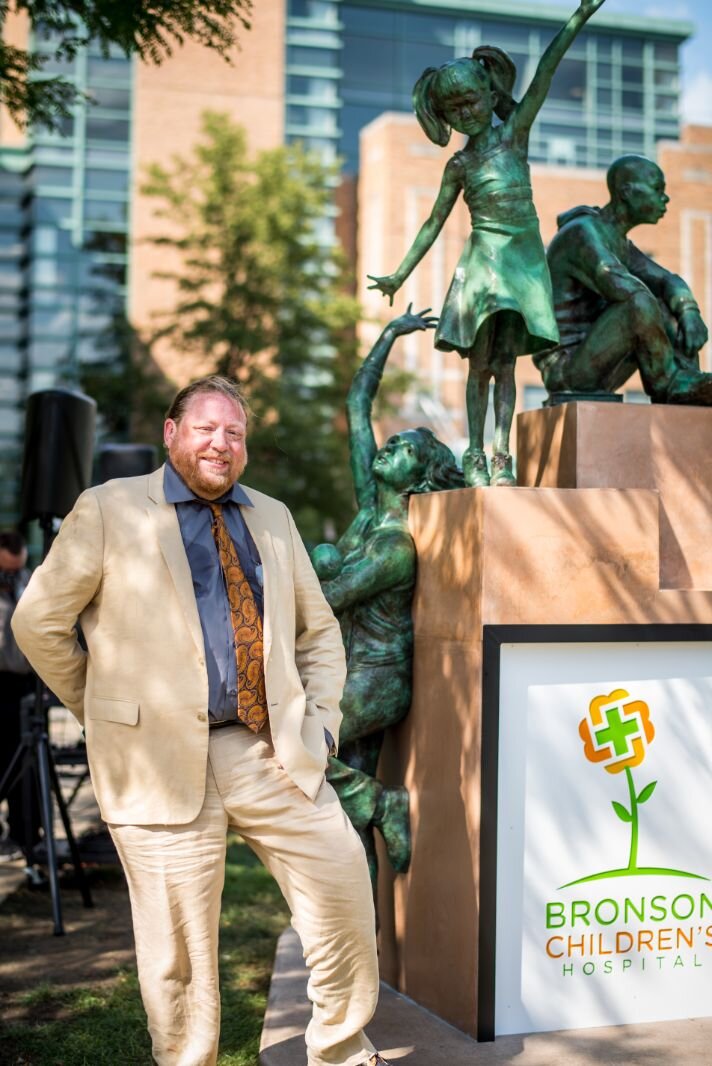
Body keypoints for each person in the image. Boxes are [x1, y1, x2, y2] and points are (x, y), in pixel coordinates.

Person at [12, 375, 391, 1066]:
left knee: (341, 887)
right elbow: (38, 622)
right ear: (172, 432)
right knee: (178, 954)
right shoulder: (108, 508)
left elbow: (319, 633)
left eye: (235, 433)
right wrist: (106, 710)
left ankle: (340, 1049)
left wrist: (322, 726)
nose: (221, 443)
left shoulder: (272, 517)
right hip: (154, 761)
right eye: (207, 428)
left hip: (269, 751)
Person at [367, 0, 606, 487]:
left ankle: (501, 455)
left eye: (472, 101)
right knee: (481, 363)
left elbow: (546, 70)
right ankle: (474, 453)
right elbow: (433, 222)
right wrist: (398, 273)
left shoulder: (514, 135)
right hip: (483, 264)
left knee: (505, 364)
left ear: (488, 90)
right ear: (444, 116)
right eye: (454, 110)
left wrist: (579, 16)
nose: (467, 113)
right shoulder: (459, 165)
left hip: (522, 262)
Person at [311, 308, 463, 884]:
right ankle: (369, 946)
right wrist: (389, 337)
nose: (389, 447)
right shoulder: (368, 512)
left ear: (419, 481)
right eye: (393, 441)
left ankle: (383, 803)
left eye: (402, 450)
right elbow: (357, 406)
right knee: (346, 834)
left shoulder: (393, 547)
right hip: (349, 672)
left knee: (293, 745)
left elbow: (331, 599)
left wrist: (299, 567)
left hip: (376, 683)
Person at [536, 154, 712, 403]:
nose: (665, 198)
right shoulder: (582, 233)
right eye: (657, 189)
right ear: (627, 192)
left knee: (667, 303)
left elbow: (668, 281)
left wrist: (688, 311)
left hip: (600, 361)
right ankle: (670, 383)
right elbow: (621, 288)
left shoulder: (618, 241)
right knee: (639, 303)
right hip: (567, 369)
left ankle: (689, 380)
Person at [0, 530, 41, 866]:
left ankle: (25, 834)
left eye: (16, 570)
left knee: (24, 761)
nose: (11, 576)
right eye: (6, 571)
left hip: (23, 685)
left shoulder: (27, 581)